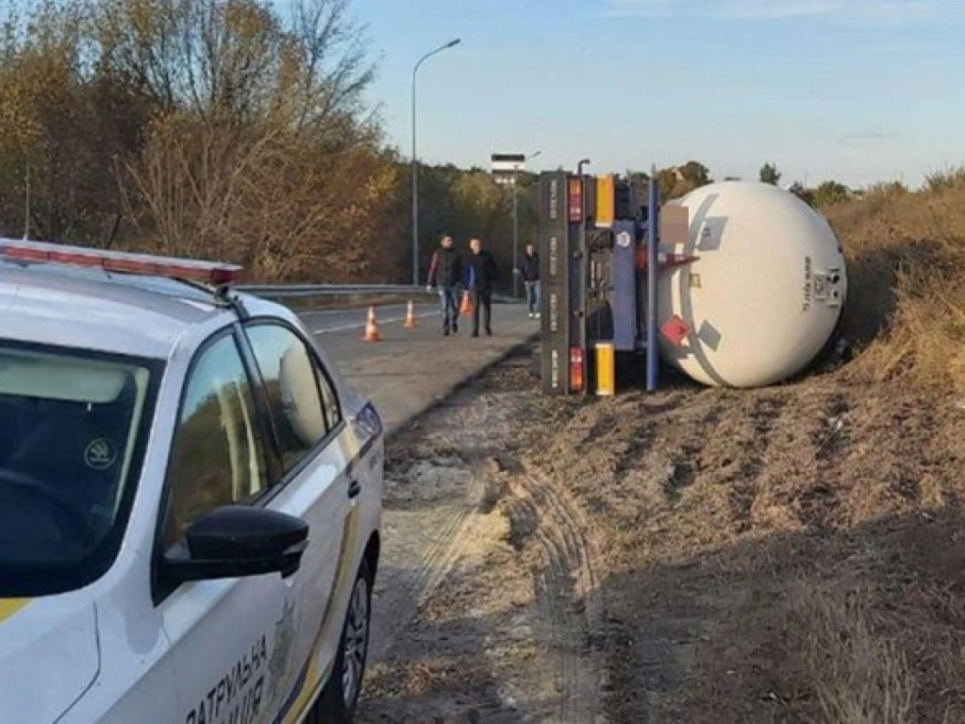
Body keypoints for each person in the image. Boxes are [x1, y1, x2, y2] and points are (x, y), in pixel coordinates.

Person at [426, 234, 464, 336]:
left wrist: (462, 282)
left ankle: (453, 321)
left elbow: (461, 269)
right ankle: (446, 327)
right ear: (442, 242)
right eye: (447, 241)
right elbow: (433, 268)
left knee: (455, 306)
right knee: (445, 306)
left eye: (450, 240)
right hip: (442, 283)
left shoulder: (456, 254)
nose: (449, 242)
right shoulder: (438, 253)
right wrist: (430, 282)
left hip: (454, 283)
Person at [466, 237, 498, 337]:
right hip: (474, 286)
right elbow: (466, 273)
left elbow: (494, 268)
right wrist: (465, 286)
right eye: (475, 244)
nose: (477, 246)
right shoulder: (468, 258)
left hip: (486, 285)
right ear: (471, 246)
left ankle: (487, 327)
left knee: (487, 307)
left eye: (478, 244)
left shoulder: (487, 256)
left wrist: (493, 279)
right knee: (475, 308)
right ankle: (475, 329)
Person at [517, 243, 540, 319]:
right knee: (530, 297)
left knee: (538, 296)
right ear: (527, 249)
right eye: (529, 248)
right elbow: (521, 269)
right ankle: (530, 311)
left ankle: (537, 311)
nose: (531, 250)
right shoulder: (523, 258)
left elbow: (541, 266)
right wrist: (524, 279)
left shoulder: (537, 257)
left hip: (537, 280)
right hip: (528, 280)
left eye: (532, 248)